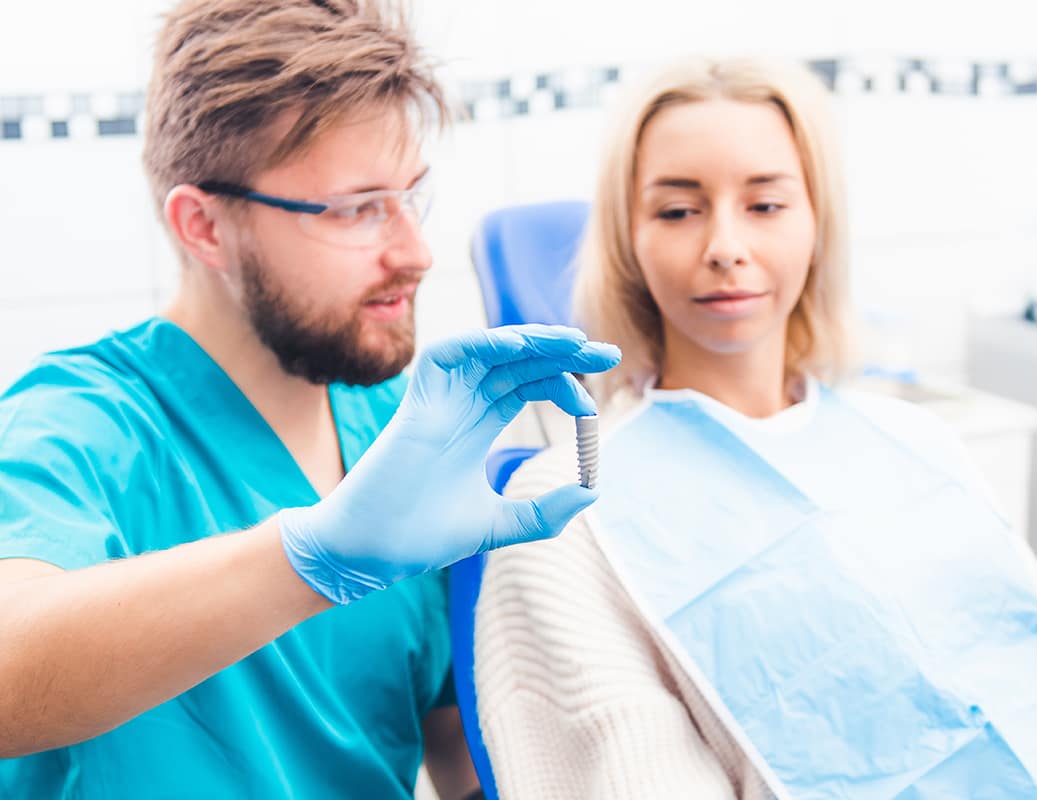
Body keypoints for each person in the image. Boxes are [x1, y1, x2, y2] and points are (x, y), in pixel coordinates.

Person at [475, 57, 1037, 798]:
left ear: (819, 224)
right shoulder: (564, 513)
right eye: (678, 210)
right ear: (630, 241)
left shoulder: (916, 445)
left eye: (766, 205)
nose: (725, 245)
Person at [0, 2, 619, 798]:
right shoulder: (79, 423)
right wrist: (311, 558)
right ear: (204, 228)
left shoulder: (400, 437)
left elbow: (466, 765)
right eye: (358, 210)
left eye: (412, 197)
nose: (416, 253)